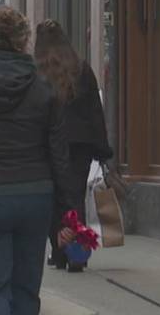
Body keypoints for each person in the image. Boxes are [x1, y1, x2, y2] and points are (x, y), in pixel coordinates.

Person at [0, 7, 75, 315]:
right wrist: (67, 211)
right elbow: (59, 155)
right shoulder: (44, 91)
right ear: (24, 42)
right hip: (36, 195)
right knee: (26, 289)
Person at [34, 20, 113, 272]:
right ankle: (77, 252)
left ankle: (58, 251)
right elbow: (95, 113)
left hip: (48, 145)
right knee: (75, 196)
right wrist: (102, 150)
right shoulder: (81, 70)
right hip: (80, 145)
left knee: (53, 199)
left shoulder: (38, 73)